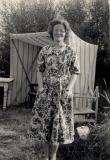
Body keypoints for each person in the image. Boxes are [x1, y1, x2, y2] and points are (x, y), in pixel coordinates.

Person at [29, 17, 80, 160]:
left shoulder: (71, 51)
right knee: (45, 125)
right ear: (52, 32)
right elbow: (39, 70)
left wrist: (69, 88)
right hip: (46, 91)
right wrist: (40, 87)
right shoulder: (45, 50)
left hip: (63, 93)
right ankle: (46, 157)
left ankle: (54, 155)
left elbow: (75, 72)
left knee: (59, 126)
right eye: (56, 30)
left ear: (65, 33)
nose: (59, 33)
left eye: (62, 31)